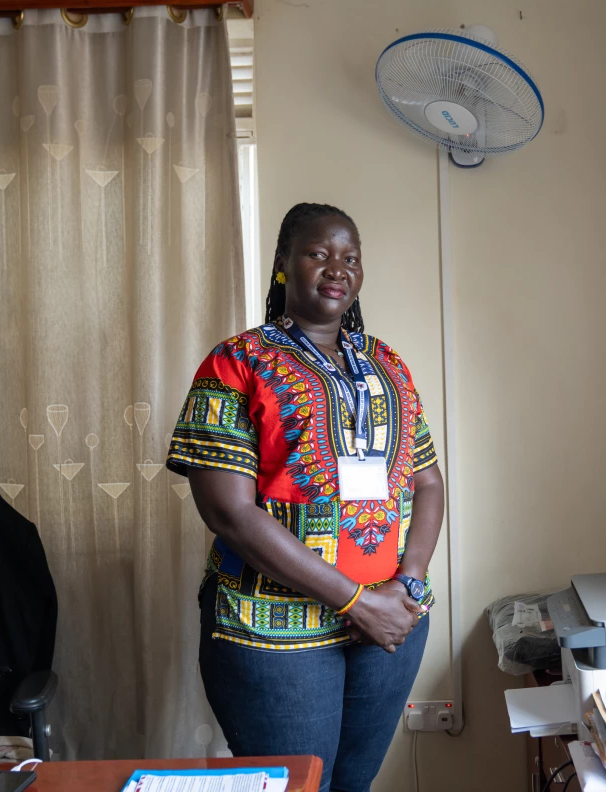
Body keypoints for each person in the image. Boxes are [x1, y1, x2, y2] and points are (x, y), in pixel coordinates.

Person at [166, 203, 444, 792]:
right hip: (272, 635)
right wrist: (355, 602)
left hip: (389, 625)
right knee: (297, 789)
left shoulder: (387, 364)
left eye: (350, 258)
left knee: (352, 786)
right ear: (285, 265)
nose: (336, 268)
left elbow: (427, 482)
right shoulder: (236, 363)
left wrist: (408, 585)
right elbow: (230, 514)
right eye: (319, 253)